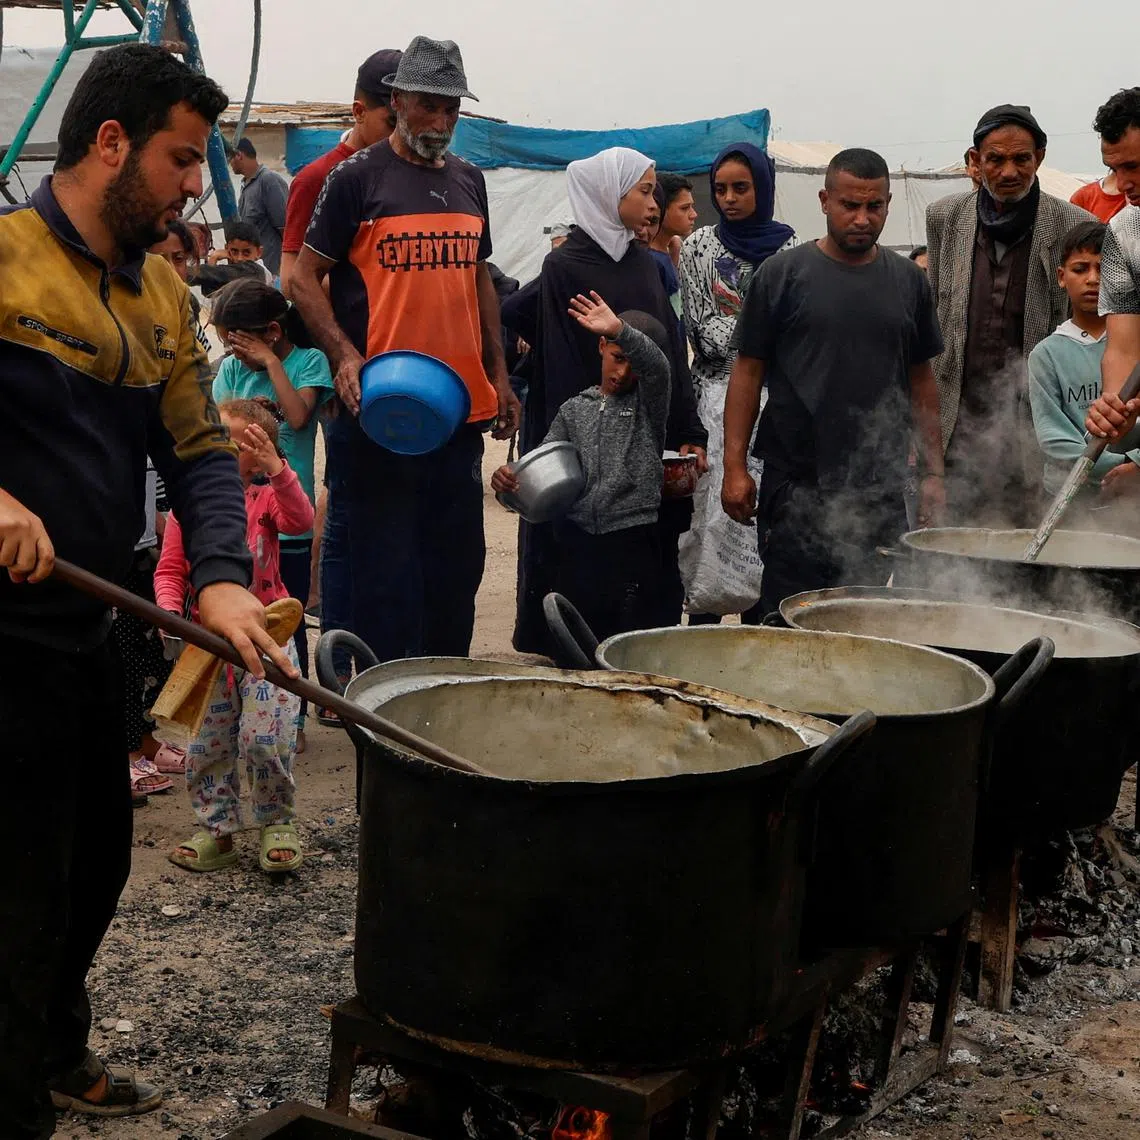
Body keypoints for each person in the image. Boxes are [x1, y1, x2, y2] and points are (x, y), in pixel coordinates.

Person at [0, 43, 292, 1139]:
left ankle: (53, 1050)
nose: (189, 186)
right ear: (110, 143)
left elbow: (203, 455)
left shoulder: (165, 294)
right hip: (3, 641)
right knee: (18, 897)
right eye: (179, 158)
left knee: (94, 866)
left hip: (94, 626)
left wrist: (219, 582)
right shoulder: (3, 259)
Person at [291, 36, 520, 663]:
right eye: (429, 106)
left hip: (457, 415)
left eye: (452, 110)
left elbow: (479, 280)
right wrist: (341, 353)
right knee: (383, 579)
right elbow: (300, 277)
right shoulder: (354, 180)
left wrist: (500, 373)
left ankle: (443, 695)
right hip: (379, 412)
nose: (441, 122)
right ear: (396, 102)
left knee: (454, 575)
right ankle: (386, 716)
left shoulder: (469, 182)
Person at [722, 148, 945, 615]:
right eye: (850, 205)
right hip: (796, 479)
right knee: (787, 610)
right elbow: (747, 372)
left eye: (875, 206)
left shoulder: (909, 281)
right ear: (825, 201)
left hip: (877, 483)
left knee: (859, 613)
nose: (863, 218)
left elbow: (922, 382)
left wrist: (932, 475)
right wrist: (735, 467)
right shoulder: (781, 276)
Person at [504, 146, 707, 652]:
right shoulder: (565, 267)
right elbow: (557, 359)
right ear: (606, 194)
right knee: (580, 562)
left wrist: (689, 430)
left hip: (647, 427)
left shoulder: (647, 265)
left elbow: (668, 352)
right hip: (587, 439)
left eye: (654, 192)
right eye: (643, 191)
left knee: (640, 563)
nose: (654, 204)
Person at [156, 400, 312, 875]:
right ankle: (217, 831)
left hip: (269, 637)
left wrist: (278, 469)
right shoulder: (191, 513)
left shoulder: (266, 500)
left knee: (265, 738)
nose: (223, 448)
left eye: (239, 441)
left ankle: (277, 822)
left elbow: (300, 521)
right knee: (207, 747)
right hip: (209, 649)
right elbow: (169, 570)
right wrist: (168, 613)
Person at [926, 104, 1095, 526]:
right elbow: (933, 315)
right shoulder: (945, 217)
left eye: (1021, 158)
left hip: (1037, 429)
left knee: (1027, 556)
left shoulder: (1075, 223)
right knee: (958, 554)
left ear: (1039, 157)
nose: (1008, 171)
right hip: (957, 423)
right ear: (975, 160)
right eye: (995, 159)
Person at [493, 293, 672, 640]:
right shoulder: (575, 409)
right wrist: (508, 481)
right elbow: (540, 469)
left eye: (632, 365)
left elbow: (656, 366)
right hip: (579, 543)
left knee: (627, 644)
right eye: (617, 358)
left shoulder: (648, 405)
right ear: (601, 347)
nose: (623, 373)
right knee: (579, 641)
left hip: (632, 538)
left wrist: (622, 329)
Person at [211, 279, 334, 752]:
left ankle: (292, 714)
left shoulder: (308, 362)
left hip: (288, 516)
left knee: (289, 618)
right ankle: (244, 712)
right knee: (240, 614)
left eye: (240, 344)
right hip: (239, 516)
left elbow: (299, 417)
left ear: (274, 331)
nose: (234, 354)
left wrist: (270, 363)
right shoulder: (229, 372)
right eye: (228, 345)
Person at [679, 144, 796, 625]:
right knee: (708, 520)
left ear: (763, 189)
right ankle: (701, 634)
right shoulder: (697, 247)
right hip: (711, 400)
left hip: (773, 404)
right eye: (721, 189)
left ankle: (757, 635)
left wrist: (758, 345)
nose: (729, 198)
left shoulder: (790, 252)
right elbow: (704, 333)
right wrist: (758, 339)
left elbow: (791, 335)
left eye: (741, 188)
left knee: (759, 524)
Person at [1029, 221, 1140, 518]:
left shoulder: (1134, 345)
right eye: (1081, 269)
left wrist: (1138, 466)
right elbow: (1054, 439)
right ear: (1062, 277)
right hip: (1070, 500)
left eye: (1104, 269)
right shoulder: (1047, 354)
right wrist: (1119, 469)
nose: (1093, 279)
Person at [279, 48, 402, 296]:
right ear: (359, 112)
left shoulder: (412, 175)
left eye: (408, 124)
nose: (401, 135)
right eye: (392, 123)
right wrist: (376, 288)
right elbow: (291, 279)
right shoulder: (316, 178)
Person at [1085, 90, 1140, 449]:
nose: (1122, 185)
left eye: (1133, 166)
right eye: (1114, 169)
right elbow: (1123, 349)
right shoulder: (1122, 233)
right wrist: (1114, 408)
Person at [228, 136, 289, 278]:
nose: (229, 163)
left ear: (239, 155)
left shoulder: (268, 180)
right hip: (251, 273)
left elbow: (285, 228)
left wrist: (286, 270)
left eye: (230, 158)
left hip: (270, 273)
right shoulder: (246, 186)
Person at [648, 173, 698, 319]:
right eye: (684, 208)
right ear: (660, 209)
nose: (693, 214)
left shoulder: (669, 253)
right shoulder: (653, 263)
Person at [206, 219, 273, 283]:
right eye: (234, 252)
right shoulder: (232, 270)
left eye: (246, 253)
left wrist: (213, 258)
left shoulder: (259, 272)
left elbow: (208, 288)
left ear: (259, 252)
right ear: (226, 249)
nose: (239, 258)